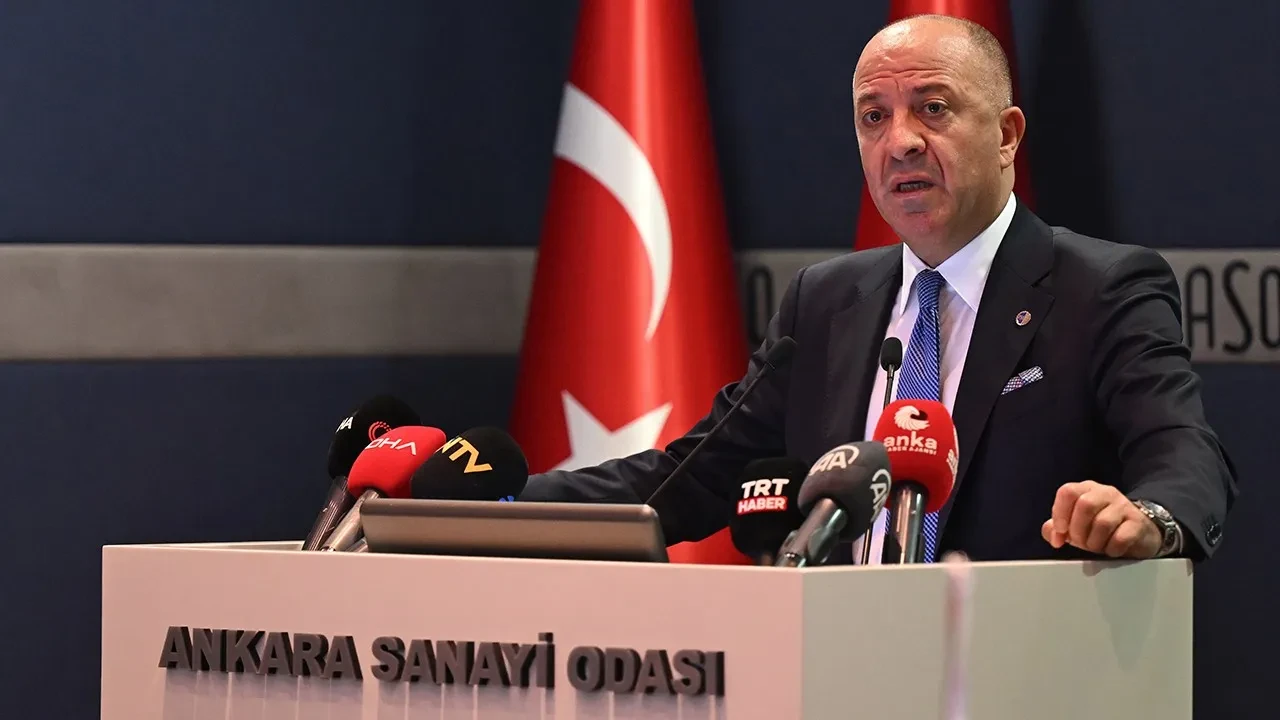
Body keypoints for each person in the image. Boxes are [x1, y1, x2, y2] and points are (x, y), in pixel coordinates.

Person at [518, 14, 1238, 563]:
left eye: (933, 108)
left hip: (1018, 665)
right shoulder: (825, 302)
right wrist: (498, 498)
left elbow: (1184, 453)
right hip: (840, 665)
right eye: (874, 116)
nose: (901, 142)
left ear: (1007, 135)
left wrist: (1149, 518)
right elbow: (692, 478)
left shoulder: (1100, 290)